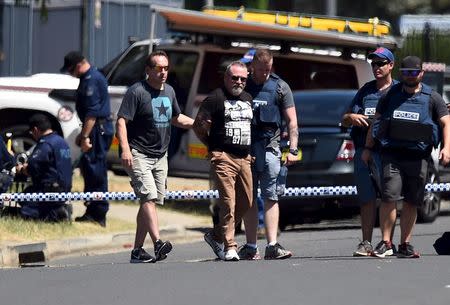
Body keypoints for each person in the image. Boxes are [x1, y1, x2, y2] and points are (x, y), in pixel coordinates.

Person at [363, 55, 450, 258]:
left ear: (421, 73)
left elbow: (446, 122)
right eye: (406, 73)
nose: (410, 76)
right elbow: (376, 121)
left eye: (414, 72)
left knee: (412, 200)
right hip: (391, 153)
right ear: (401, 74)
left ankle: (405, 244)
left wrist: (447, 148)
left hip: (418, 156)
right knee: (389, 196)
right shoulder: (389, 95)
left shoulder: (432, 97)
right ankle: (386, 242)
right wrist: (368, 147)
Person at [116, 50, 194, 263]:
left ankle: (137, 251)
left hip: (161, 155)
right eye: (158, 68)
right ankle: (158, 242)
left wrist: (198, 124)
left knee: (150, 202)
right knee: (148, 197)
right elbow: (121, 120)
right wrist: (124, 149)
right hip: (138, 153)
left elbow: (176, 118)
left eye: (166, 68)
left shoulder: (169, 91)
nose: (163, 72)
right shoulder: (137, 91)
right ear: (148, 70)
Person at [239, 48, 298, 260]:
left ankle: (272, 245)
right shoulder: (242, 84)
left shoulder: (280, 87)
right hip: (245, 152)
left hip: (271, 150)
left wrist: (292, 149)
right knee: (248, 199)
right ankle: (251, 245)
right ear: (252, 66)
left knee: (271, 196)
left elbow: (292, 121)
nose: (264, 73)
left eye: (268, 69)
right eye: (261, 69)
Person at [193, 60, 253, 261]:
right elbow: (198, 125)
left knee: (246, 202)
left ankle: (216, 235)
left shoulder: (248, 98)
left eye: (242, 78)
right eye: (234, 77)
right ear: (226, 78)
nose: (238, 82)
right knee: (228, 201)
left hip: (244, 157)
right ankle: (230, 246)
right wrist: (212, 146)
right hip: (223, 156)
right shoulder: (215, 98)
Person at [341, 47, 398, 256]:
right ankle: (366, 243)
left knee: (388, 198)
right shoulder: (366, 90)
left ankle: (386, 242)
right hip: (364, 152)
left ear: (391, 65)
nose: (376, 67)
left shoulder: (399, 91)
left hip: (389, 153)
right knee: (366, 199)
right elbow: (344, 118)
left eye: (381, 63)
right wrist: (352, 118)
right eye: (373, 64)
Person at [60, 51, 113, 227]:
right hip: (95, 129)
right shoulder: (89, 77)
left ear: (77, 66)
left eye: (70, 71)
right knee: (90, 170)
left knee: (96, 170)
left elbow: (92, 113)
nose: (70, 74)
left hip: (98, 130)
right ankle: (92, 210)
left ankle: (99, 213)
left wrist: (84, 136)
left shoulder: (92, 79)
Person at [15, 114, 72, 222]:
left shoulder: (45, 144)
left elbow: (32, 167)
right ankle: (58, 209)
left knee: (25, 205)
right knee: (28, 192)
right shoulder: (62, 141)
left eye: (32, 132)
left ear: (36, 129)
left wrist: (21, 169)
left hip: (49, 190)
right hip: (64, 189)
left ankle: (56, 213)